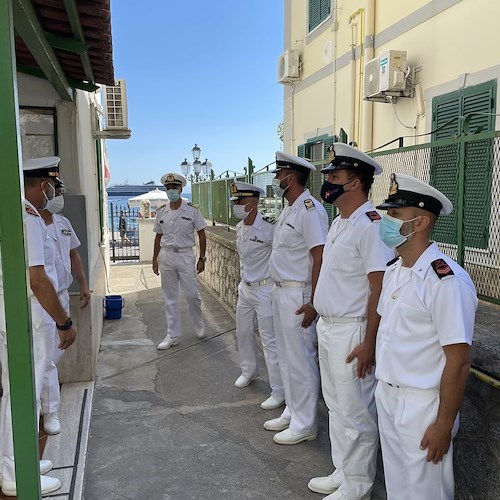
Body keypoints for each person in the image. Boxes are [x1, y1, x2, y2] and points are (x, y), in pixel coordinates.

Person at [374, 173, 477, 500]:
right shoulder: (394, 271)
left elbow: (458, 362)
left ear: (419, 223)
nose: (386, 221)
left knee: (425, 493)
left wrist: (443, 424)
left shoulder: (444, 280)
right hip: (388, 396)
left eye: (395, 215)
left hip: (422, 407)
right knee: (398, 489)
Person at [308, 144, 394, 500]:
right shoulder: (342, 222)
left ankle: (357, 485)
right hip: (328, 327)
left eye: (335, 177)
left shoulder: (371, 225)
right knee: (336, 404)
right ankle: (343, 471)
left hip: (352, 329)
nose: (327, 182)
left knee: (356, 410)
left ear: (356, 183)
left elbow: (379, 288)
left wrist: (369, 342)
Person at [0, 156, 77, 496]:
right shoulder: (27, 216)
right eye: (52, 184)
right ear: (43, 185)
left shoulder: (17, 211)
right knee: (23, 395)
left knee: (17, 393)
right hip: (30, 317)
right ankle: (14, 474)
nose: (52, 191)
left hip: (19, 314)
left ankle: (18, 462)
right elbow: (37, 278)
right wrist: (65, 322)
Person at [264, 151, 328, 445]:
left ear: (291, 177)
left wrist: (314, 300)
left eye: (279, 175)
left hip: (297, 292)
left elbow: (319, 255)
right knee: (287, 357)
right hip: (280, 290)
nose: (277, 179)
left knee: (301, 359)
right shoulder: (289, 209)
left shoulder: (309, 209)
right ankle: (293, 409)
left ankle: (305, 424)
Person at [39, 178, 90, 435]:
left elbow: (73, 255)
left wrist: (82, 285)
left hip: (61, 295)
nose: (60, 195)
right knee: (46, 354)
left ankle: (43, 400)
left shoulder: (64, 223)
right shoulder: (31, 223)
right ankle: (49, 409)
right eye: (57, 190)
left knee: (54, 353)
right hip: (40, 298)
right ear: (43, 190)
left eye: (62, 190)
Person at [230, 181, 285, 410]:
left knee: (270, 341)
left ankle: (278, 390)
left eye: (240, 201)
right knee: (242, 332)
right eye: (235, 202)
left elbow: (281, 256)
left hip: (265, 289)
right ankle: (248, 370)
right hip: (246, 287)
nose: (236, 206)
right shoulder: (241, 227)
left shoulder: (270, 227)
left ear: (252, 202)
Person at [152, 173, 207, 349]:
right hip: (167, 255)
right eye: (168, 189)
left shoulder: (192, 209)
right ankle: (172, 335)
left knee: (192, 295)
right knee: (170, 297)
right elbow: (158, 236)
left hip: (185, 256)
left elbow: (201, 233)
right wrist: (155, 258)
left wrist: (202, 258)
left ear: (181, 189)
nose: (171, 191)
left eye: (174, 188)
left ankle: (198, 324)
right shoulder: (161, 211)